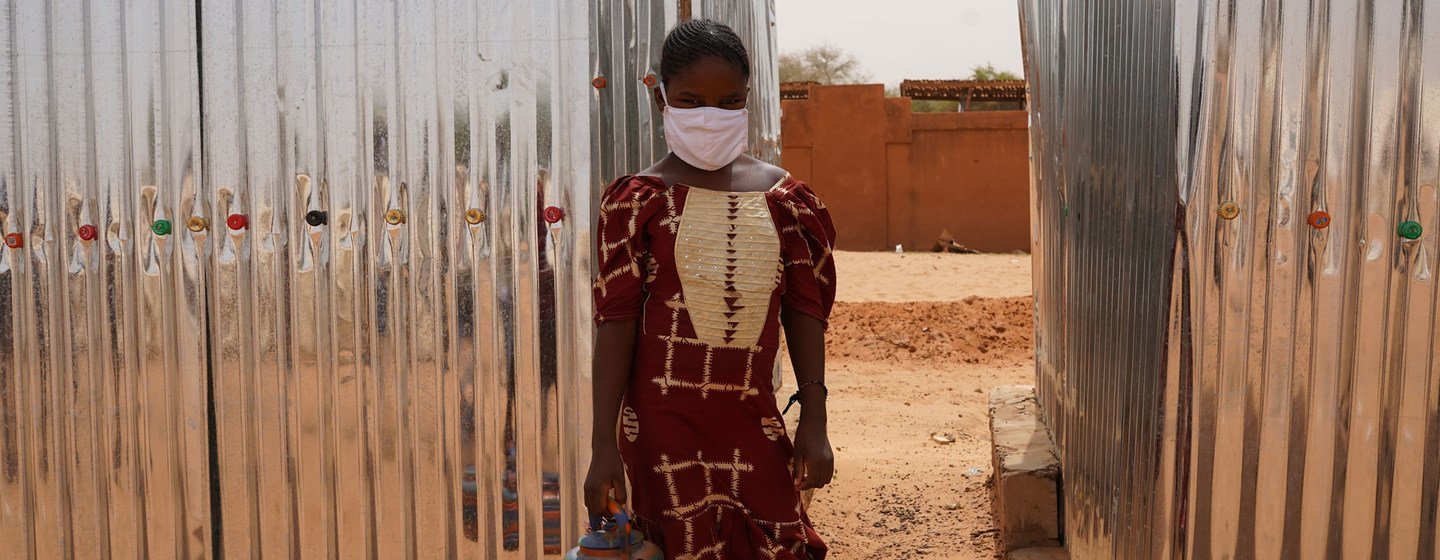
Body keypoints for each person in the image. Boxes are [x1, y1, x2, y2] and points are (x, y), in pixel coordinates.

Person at [584, 18, 836, 560]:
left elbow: (805, 309)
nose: (710, 117)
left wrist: (814, 421)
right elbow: (617, 321)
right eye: (691, 100)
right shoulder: (636, 202)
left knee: (777, 539)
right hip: (659, 425)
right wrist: (603, 443)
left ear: (747, 102)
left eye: (728, 103)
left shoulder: (785, 200)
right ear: (662, 102)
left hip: (752, 415)